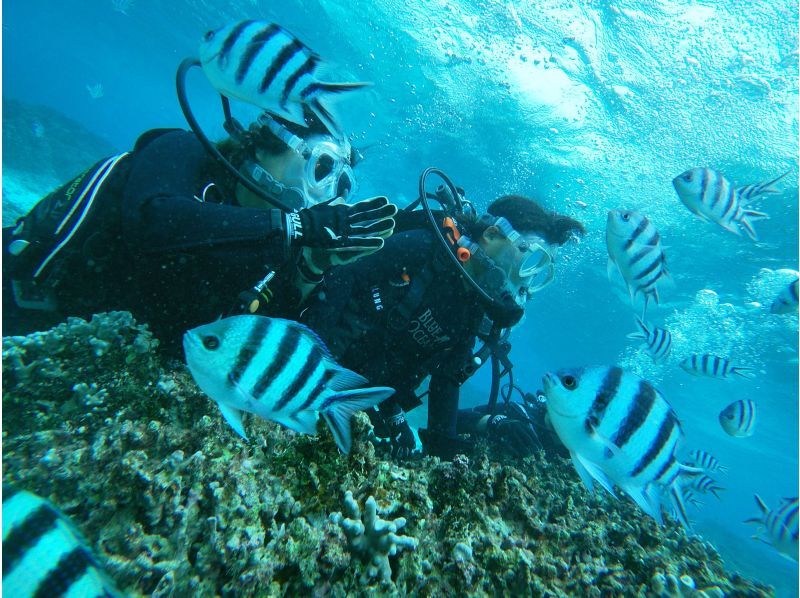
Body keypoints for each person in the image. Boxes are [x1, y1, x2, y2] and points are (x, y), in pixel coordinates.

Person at [2, 105, 397, 351]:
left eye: (339, 185)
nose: (324, 194)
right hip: (24, 308)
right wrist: (295, 225)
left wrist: (313, 268)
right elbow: (152, 221)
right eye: (322, 170)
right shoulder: (183, 151)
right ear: (264, 145)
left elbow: (284, 346)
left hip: (111, 361)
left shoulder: (282, 239)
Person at [301, 186, 585, 459]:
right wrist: (308, 363)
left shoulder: (475, 309)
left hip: (363, 394)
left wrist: (442, 450)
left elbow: (447, 378)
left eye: (540, 273)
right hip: (313, 370)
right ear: (492, 233)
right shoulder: (426, 248)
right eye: (530, 259)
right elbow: (344, 275)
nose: (526, 279)